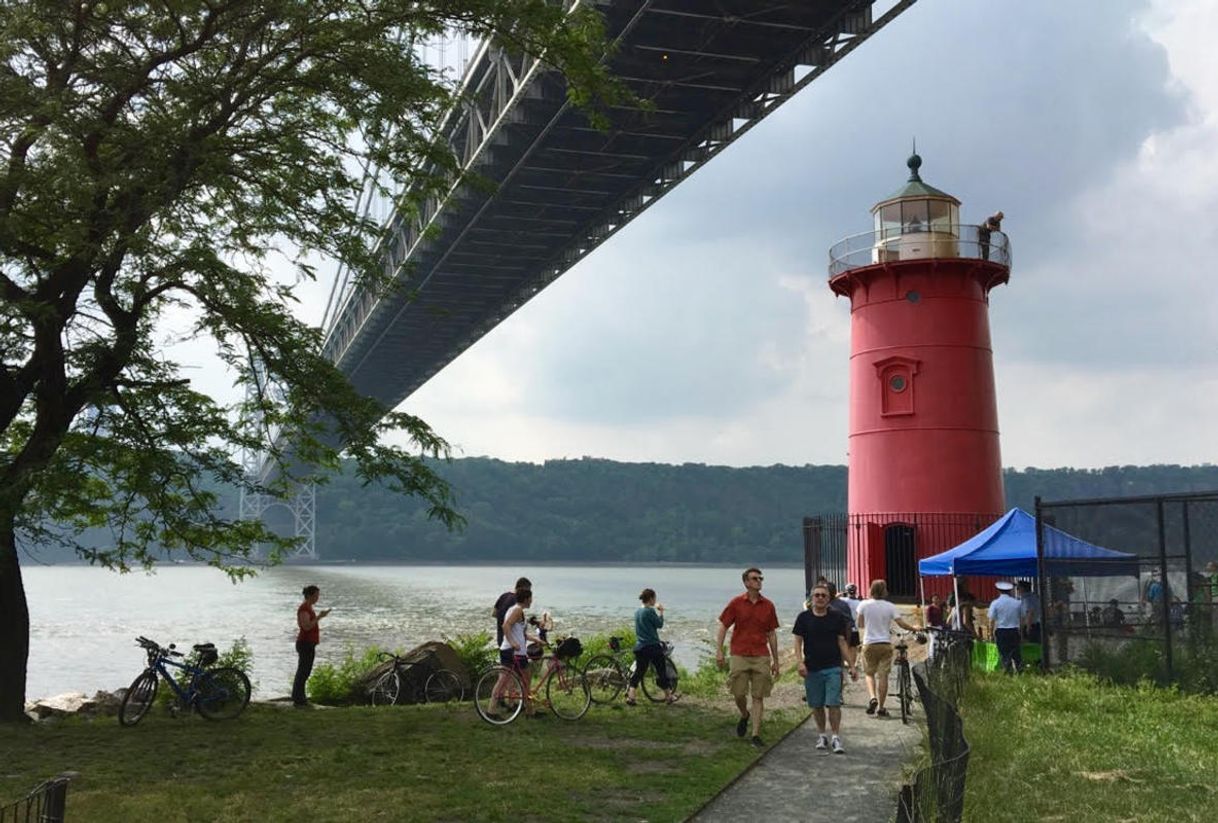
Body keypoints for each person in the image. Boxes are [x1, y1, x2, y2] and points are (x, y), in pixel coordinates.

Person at [716, 567, 781, 748]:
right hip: (739, 653)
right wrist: (719, 651)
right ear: (746, 582)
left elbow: (772, 634)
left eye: (760, 578)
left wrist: (776, 661)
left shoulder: (768, 605)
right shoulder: (736, 603)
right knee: (738, 692)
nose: (759, 581)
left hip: (761, 654)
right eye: (754, 578)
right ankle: (745, 714)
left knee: (758, 696)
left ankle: (755, 734)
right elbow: (723, 627)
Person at [792, 582, 858, 754]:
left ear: (829, 599)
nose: (820, 598)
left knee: (834, 703)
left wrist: (851, 665)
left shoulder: (836, 617)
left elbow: (842, 642)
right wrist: (799, 662)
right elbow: (798, 641)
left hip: (833, 666)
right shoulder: (803, 618)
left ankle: (835, 736)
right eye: (817, 595)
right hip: (812, 667)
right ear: (811, 598)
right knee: (817, 704)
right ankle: (822, 734)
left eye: (824, 595)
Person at [855, 579, 918, 718]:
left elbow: (860, 624)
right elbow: (901, 624)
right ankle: (882, 708)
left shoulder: (863, 604)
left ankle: (873, 698)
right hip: (885, 644)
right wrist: (914, 628)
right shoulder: (890, 606)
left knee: (869, 673)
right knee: (883, 676)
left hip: (869, 643)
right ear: (884, 591)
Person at [494, 586, 542, 716]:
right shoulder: (518, 610)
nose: (532, 601)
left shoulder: (514, 609)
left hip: (509, 650)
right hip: (515, 652)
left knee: (506, 680)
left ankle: (493, 710)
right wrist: (513, 642)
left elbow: (521, 634)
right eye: (531, 598)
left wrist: (537, 640)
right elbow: (506, 626)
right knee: (525, 680)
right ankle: (529, 711)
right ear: (526, 599)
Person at [625, 589, 676, 705]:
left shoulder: (637, 612)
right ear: (651, 599)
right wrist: (661, 612)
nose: (655, 601)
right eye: (655, 598)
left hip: (640, 647)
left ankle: (631, 697)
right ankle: (669, 697)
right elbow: (659, 624)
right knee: (661, 671)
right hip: (652, 647)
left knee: (639, 672)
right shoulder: (650, 611)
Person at [293, 584, 331, 707]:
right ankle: (298, 698)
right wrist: (320, 617)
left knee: (305, 671)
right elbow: (306, 626)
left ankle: (300, 696)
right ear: (309, 595)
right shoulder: (304, 608)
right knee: (303, 671)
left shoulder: (309, 607)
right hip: (305, 643)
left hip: (309, 644)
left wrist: (319, 616)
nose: (317, 598)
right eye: (316, 595)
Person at [988, 581, 1023, 674]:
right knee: (1016, 653)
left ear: (998, 591)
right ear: (1010, 591)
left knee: (1004, 653)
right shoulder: (1017, 603)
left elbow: (991, 620)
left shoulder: (995, 603)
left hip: (1001, 631)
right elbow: (1021, 618)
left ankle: (1007, 671)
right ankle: (1019, 670)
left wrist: (990, 633)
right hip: (1014, 631)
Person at [492, 576, 531, 646]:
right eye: (528, 591)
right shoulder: (518, 602)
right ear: (522, 588)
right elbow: (517, 623)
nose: (528, 595)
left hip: (501, 638)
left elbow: (494, 614)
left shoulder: (503, 596)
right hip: (512, 642)